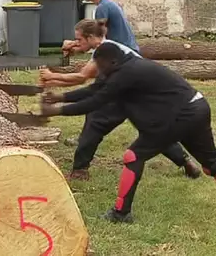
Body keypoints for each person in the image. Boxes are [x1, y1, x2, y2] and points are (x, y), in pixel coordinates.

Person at [40, 42, 216, 223]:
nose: (98, 70)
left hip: (180, 115)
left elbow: (95, 101)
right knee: (212, 164)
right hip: (197, 107)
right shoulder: (126, 66)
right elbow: (94, 89)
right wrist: (60, 97)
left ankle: (121, 213)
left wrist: (55, 110)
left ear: (110, 61)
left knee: (133, 156)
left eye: (100, 66)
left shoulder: (126, 74)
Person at [40, 19, 201, 181]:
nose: (75, 42)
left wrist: (51, 76)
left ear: (90, 37)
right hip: (140, 93)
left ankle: (80, 170)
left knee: (95, 121)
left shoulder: (105, 50)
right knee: (152, 129)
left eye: (79, 39)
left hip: (129, 92)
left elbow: (82, 77)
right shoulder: (108, 47)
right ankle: (186, 162)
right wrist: (56, 81)